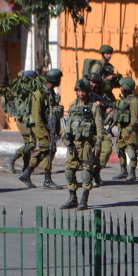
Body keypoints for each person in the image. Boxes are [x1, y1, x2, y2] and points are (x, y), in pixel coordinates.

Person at [60, 79, 105, 210]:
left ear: (88, 92)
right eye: (79, 91)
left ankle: (84, 199)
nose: (81, 93)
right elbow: (68, 123)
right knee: (69, 171)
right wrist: (66, 138)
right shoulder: (73, 105)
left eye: (83, 91)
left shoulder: (94, 107)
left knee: (86, 172)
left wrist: (98, 144)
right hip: (73, 143)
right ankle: (72, 198)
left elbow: (99, 127)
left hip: (86, 144)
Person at [18, 68, 63, 190]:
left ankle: (26, 174)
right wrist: (43, 131)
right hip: (41, 127)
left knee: (47, 150)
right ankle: (47, 180)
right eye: (59, 78)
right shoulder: (39, 93)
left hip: (50, 127)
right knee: (48, 150)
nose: (60, 81)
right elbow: (36, 115)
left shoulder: (51, 93)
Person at [4, 70, 39, 174]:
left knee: (28, 143)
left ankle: (25, 167)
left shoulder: (26, 89)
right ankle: (12, 158)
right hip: (24, 120)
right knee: (31, 145)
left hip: (28, 120)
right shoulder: (23, 91)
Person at [87, 71, 114, 187]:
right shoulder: (85, 95)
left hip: (99, 128)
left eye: (95, 83)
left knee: (107, 148)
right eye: (90, 82)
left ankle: (96, 171)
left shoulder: (103, 95)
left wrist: (108, 109)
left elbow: (112, 105)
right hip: (87, 129)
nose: (92, 85)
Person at [112, 76, 138, 182]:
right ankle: (123, 171)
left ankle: (132, 173)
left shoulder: (134, 101)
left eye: (122, 86)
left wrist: (129, 131)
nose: (120, 88)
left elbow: (134, 119)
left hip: (130, 130)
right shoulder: (123, 100)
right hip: (121, 128)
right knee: (119, 149)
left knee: (131, 151)